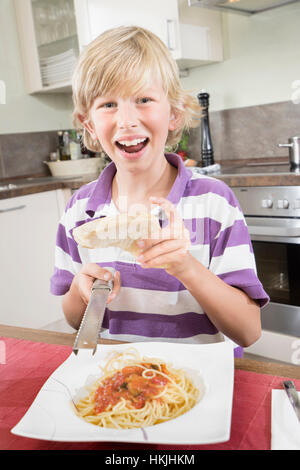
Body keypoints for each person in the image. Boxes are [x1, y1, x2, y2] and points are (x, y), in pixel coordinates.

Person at [50, 26, 269, 356]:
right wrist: (83, 291)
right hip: (119, 385)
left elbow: (249, 331)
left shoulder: (213, 202)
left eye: (143, 99)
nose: (126, 120)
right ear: (89, 124)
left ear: (174, 113)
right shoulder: (79, 211)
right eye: (108, 104)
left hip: (201, 385)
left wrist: (186, 267)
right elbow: (71, 319)